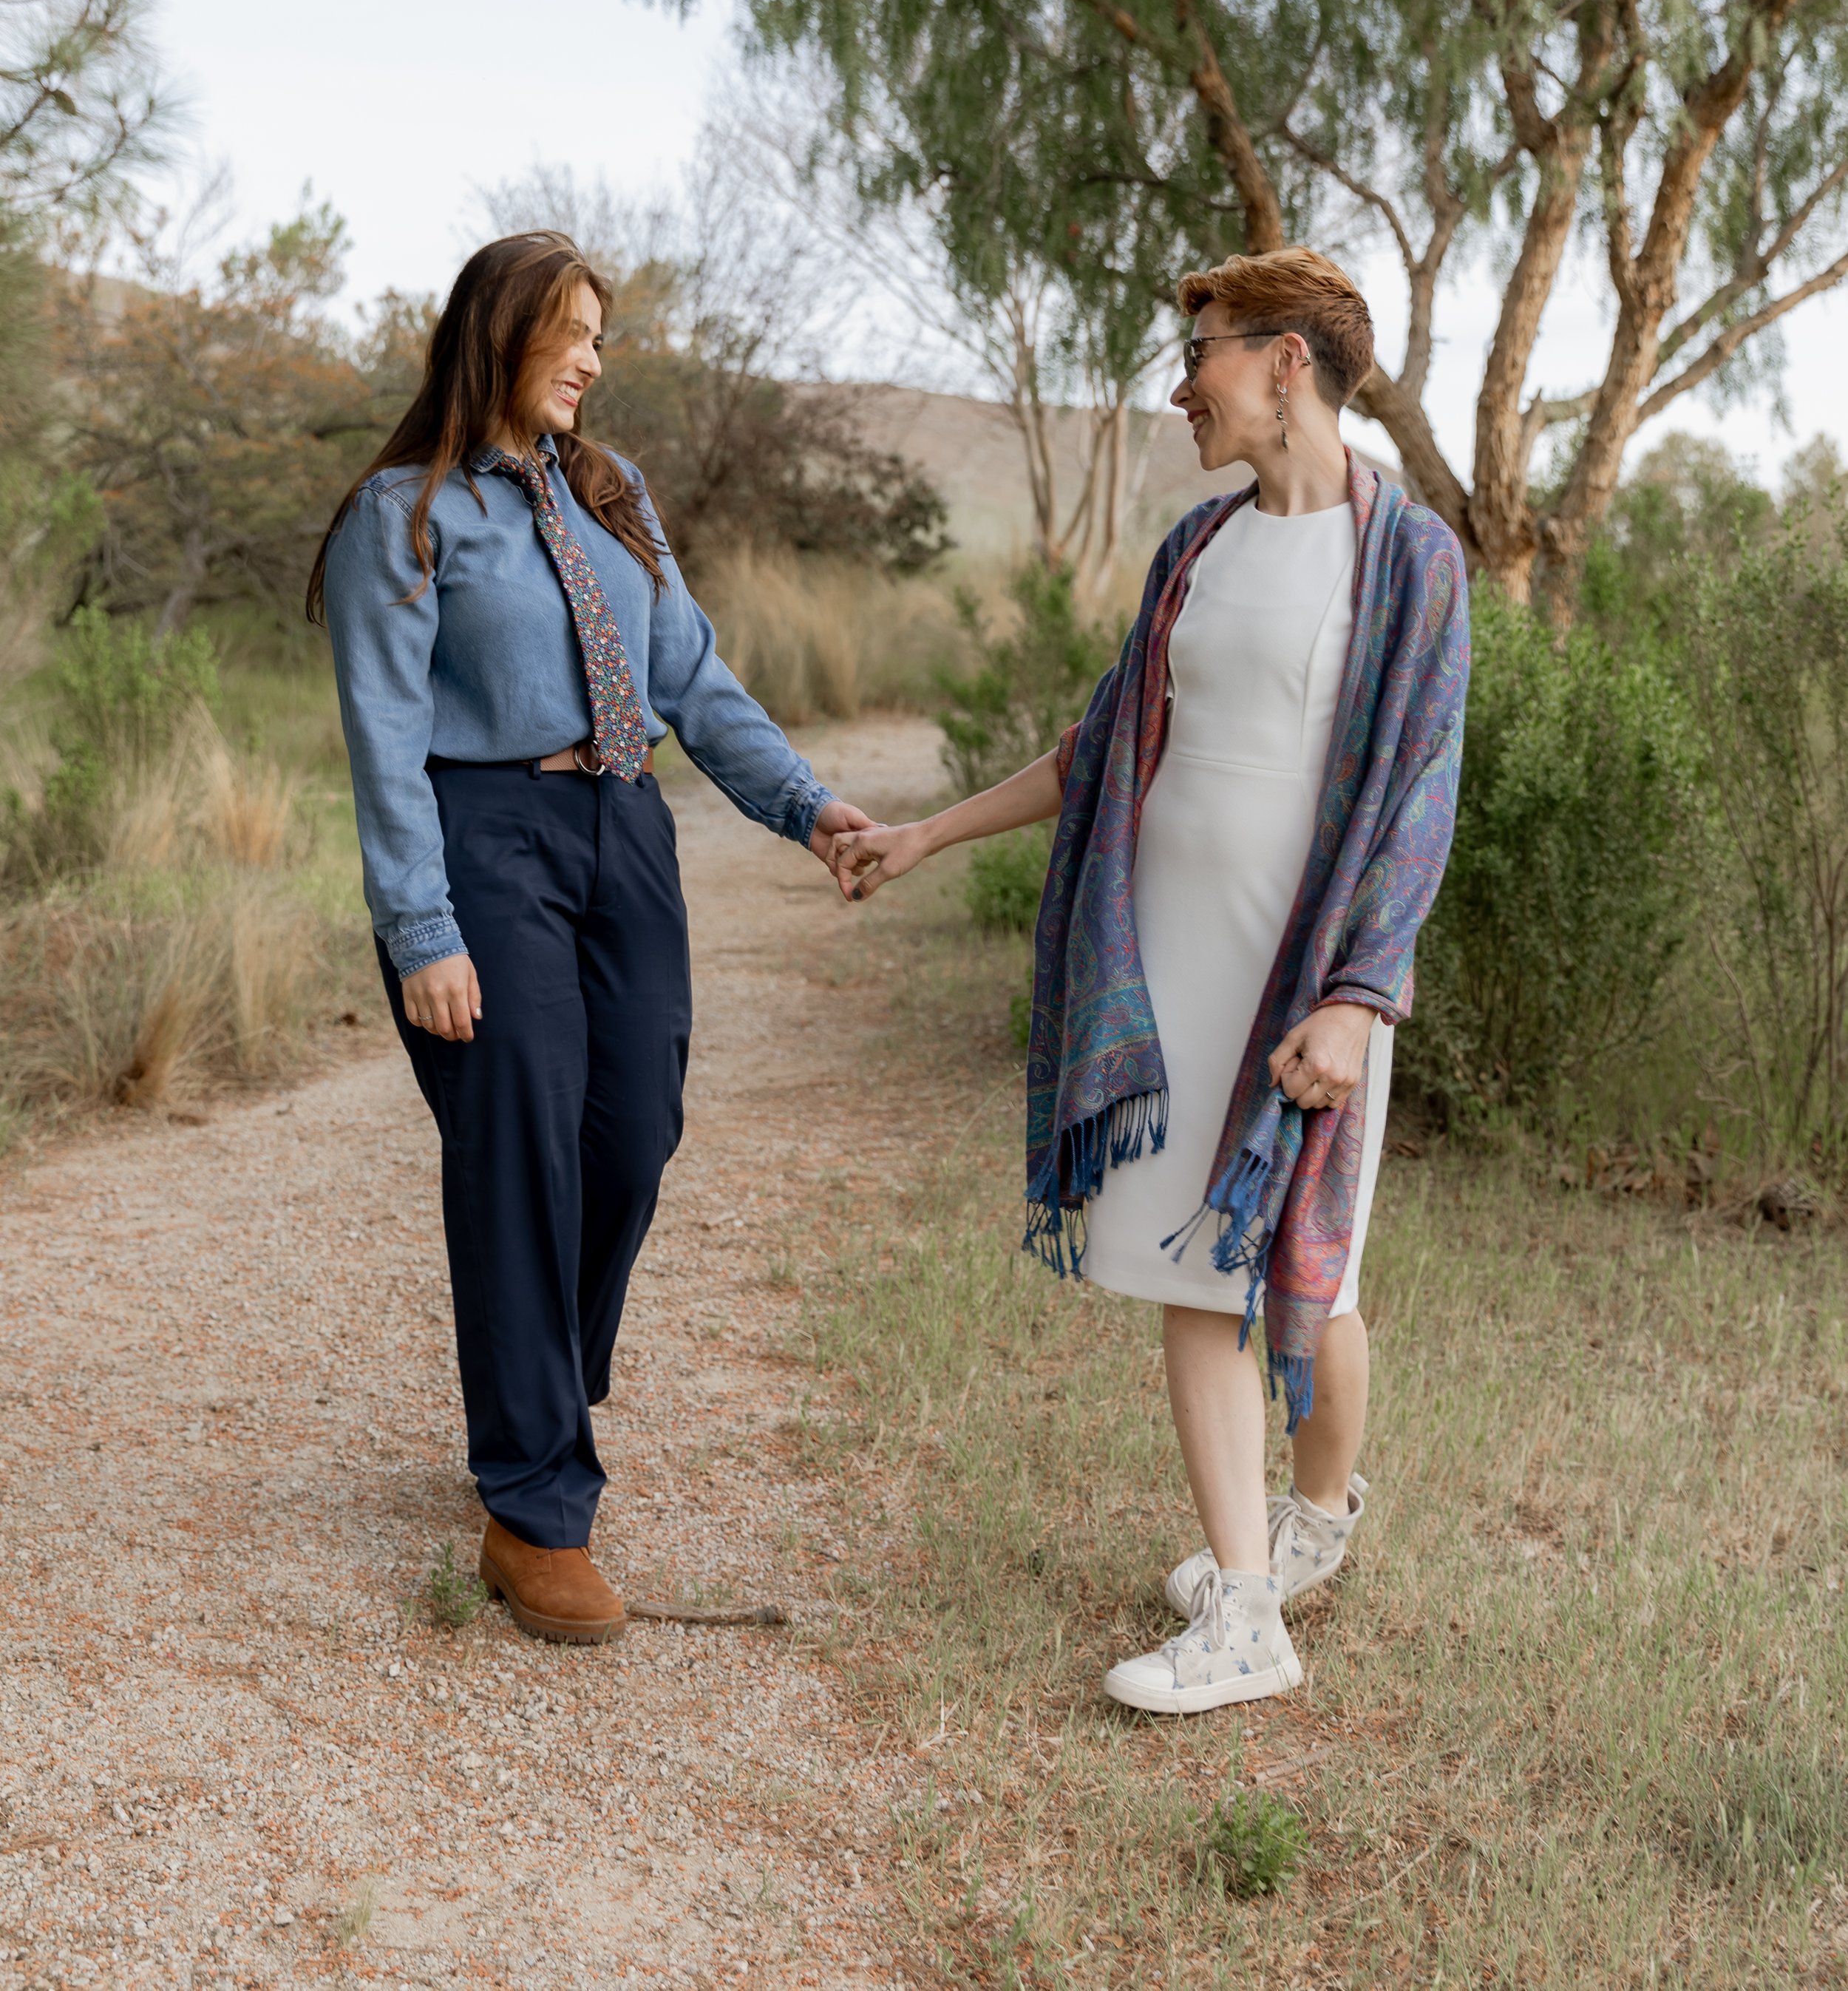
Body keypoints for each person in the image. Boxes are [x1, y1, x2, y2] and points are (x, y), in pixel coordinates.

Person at [829, 248, 1469, 1717]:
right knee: (1196, 1280)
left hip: (1299, 978)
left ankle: (1303, 1533)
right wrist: (926, 833)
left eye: (1203, 358)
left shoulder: (1406, 557)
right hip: (1167, 967)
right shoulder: (1195, 547)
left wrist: (1358, 1000)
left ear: (1284, 363)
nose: (1181, 386)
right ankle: (1251, 1593)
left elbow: (1416, 794)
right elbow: (1101, 749)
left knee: (1323, 1274)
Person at [308, 233, 872, 1645]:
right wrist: (422, 923)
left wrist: (806, 806)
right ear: (498, 333)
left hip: (628, 831)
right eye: (571, 332)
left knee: (632, 1132)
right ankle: (534, 1506)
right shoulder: (407, 513)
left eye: (600, 339)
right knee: (521, 1141)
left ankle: (542, 1382)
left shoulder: (613, 497)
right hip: (487, 833)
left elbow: (691, 676)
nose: (591, 361)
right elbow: (385, 740)